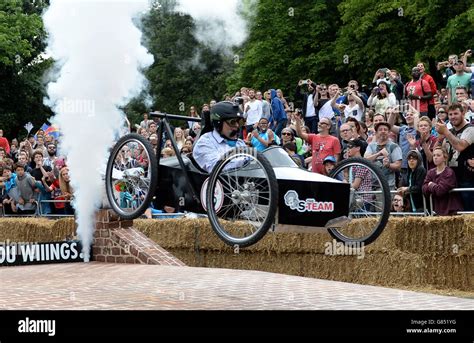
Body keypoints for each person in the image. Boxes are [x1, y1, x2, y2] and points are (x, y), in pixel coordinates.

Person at [193, 101, 246, 173]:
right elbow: (214, 167)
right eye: (232, 122)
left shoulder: (240, 143)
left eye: (239, 122)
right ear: (218, 123)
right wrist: (246, 161)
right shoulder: (205, 142)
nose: (237, 126)